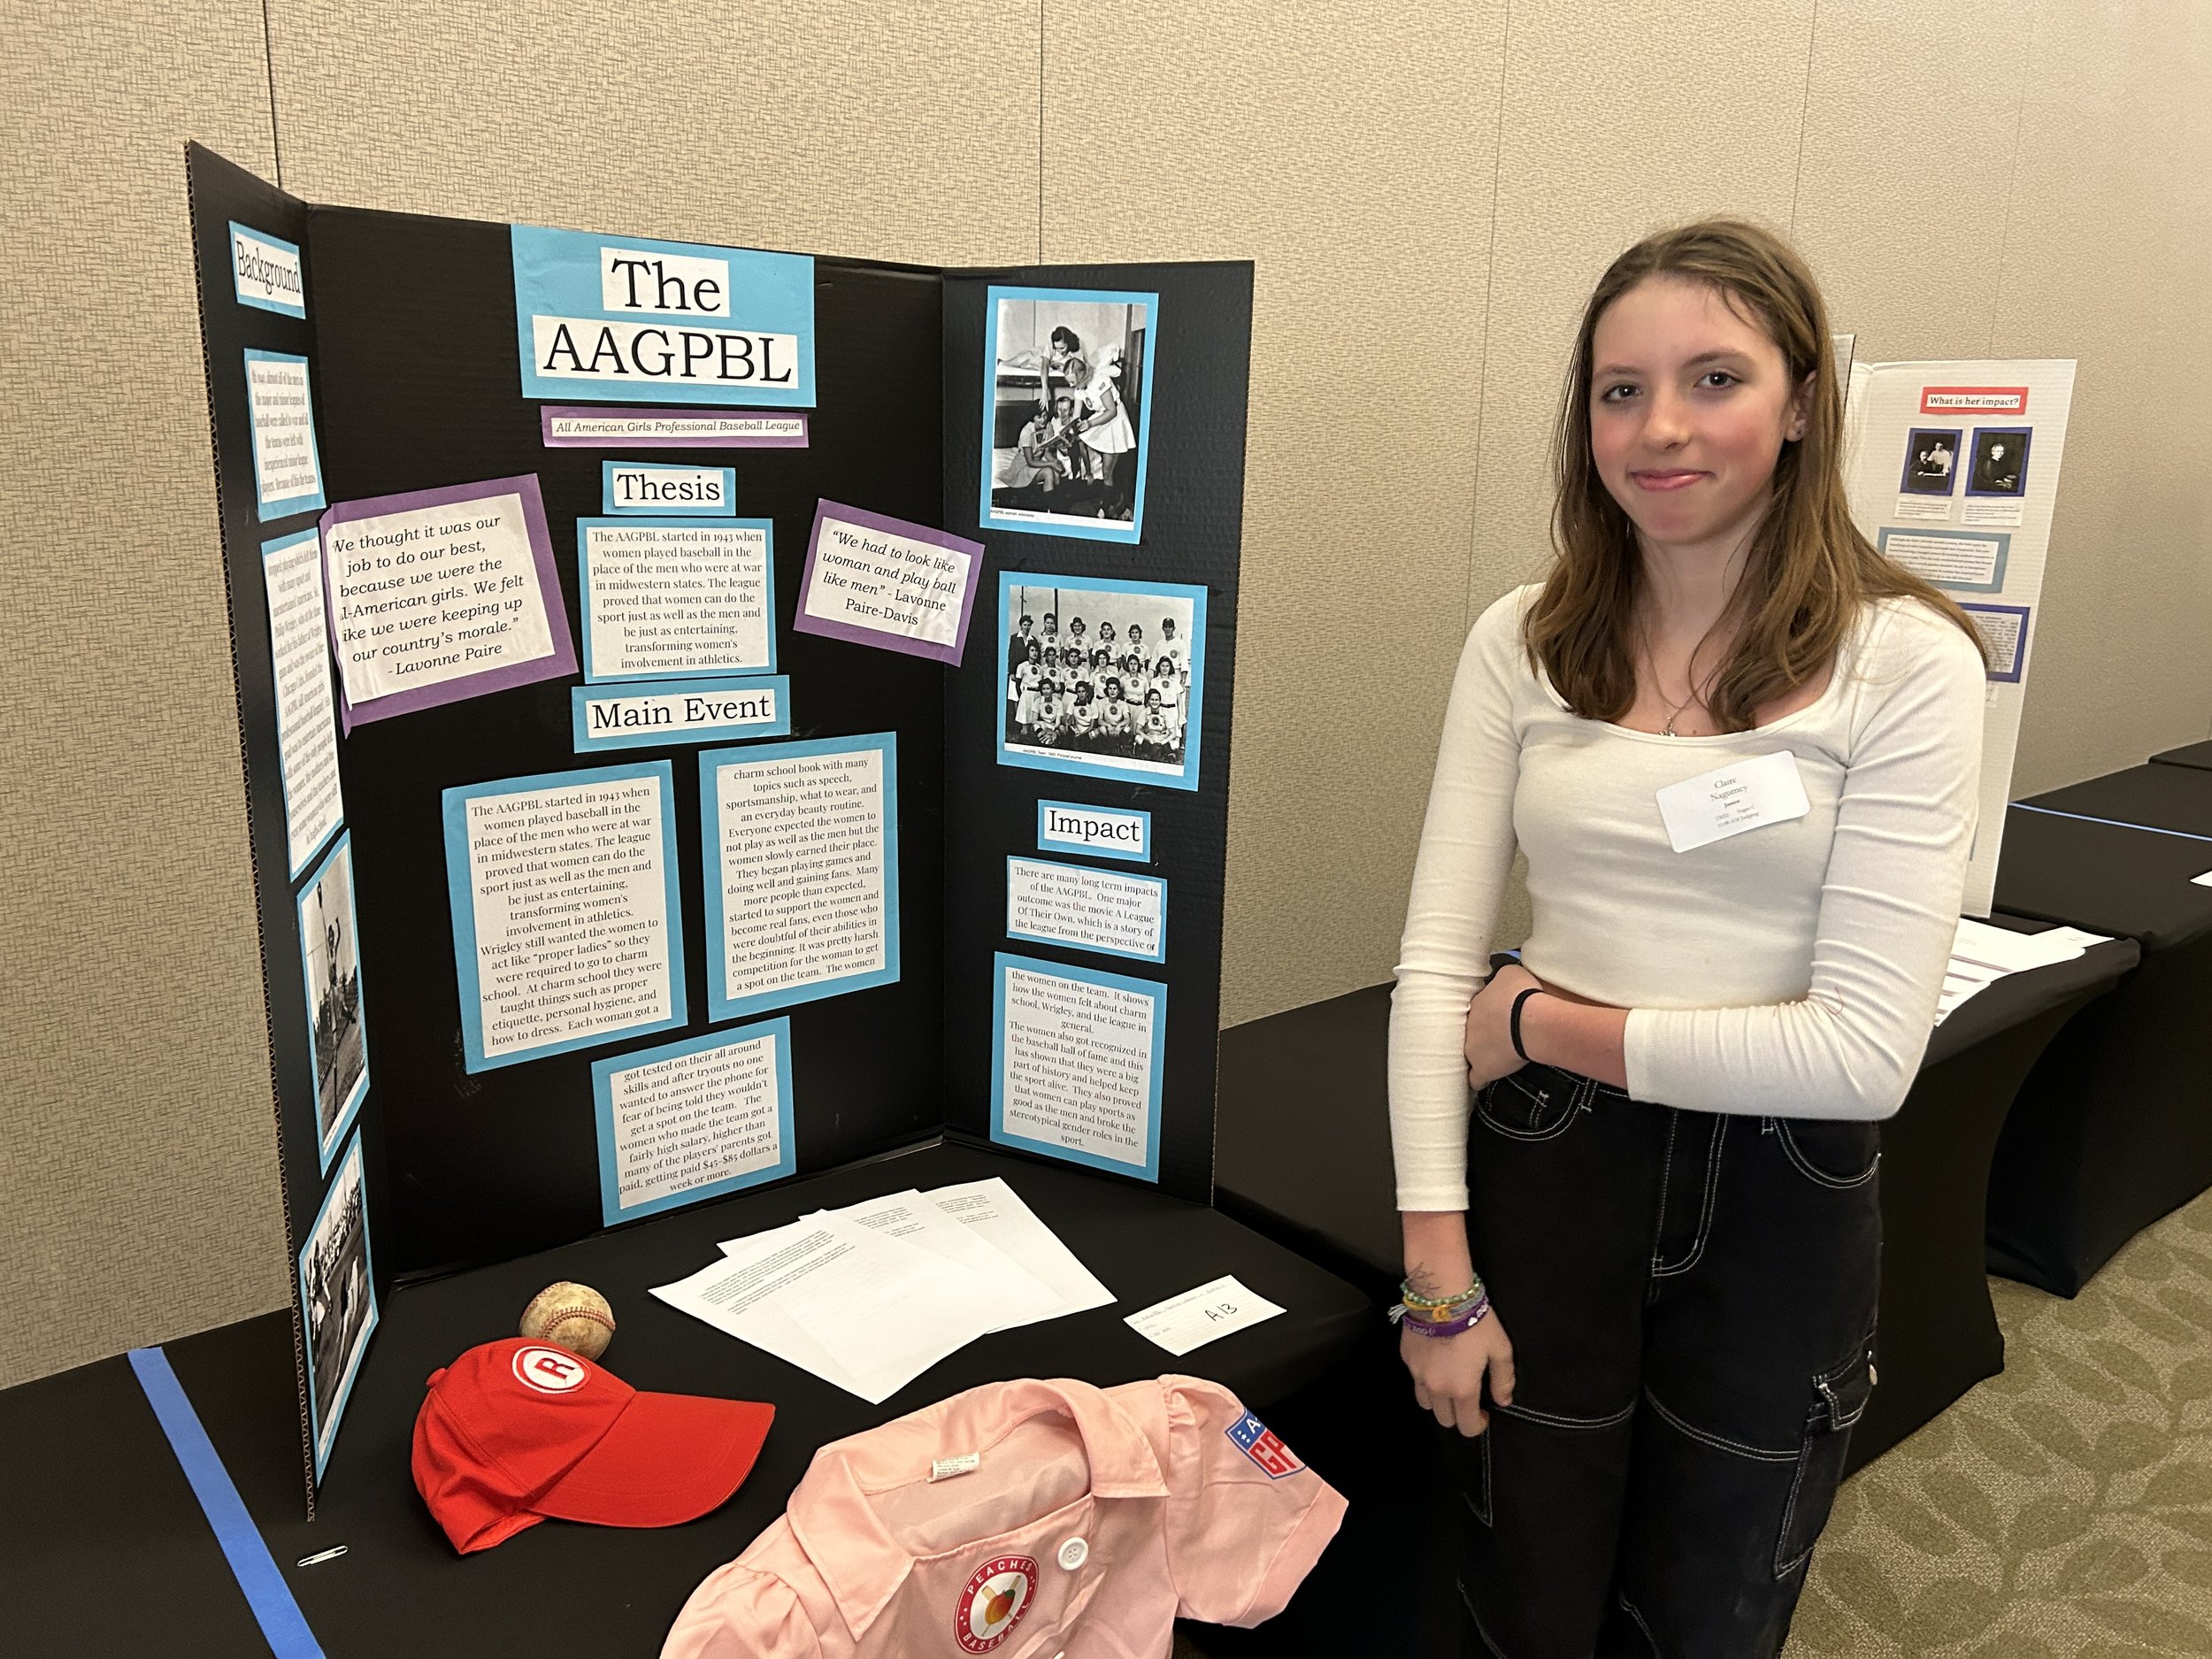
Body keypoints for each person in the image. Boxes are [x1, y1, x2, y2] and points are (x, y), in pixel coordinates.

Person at [1389, 219, 1986, 1658]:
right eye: (1619, 390)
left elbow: (1859, 1059)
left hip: (1778, 1183)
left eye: (1714, 378)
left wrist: (1539, 1023)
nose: (1659, 428)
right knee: (1524, 1583)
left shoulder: (1905, 661)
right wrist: (1437, 1277)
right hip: (1548, 1170)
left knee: (1715, 1606)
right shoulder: (1522, 641)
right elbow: (1431, 973)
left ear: (1798, 407)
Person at [1075, 344, 1139, 515]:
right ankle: (1109, 502)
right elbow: (1076, 416)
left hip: (1114, 419)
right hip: (1100, 416)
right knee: (1083, 441)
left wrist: (1089, 424)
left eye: (1073, 381)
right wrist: (1069, 431)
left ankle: (1106, 507)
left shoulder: (1100, 380)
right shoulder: (1079, 385)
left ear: (1081, 375)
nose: (1071, 384)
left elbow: (1112, 411)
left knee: (1107, 470)